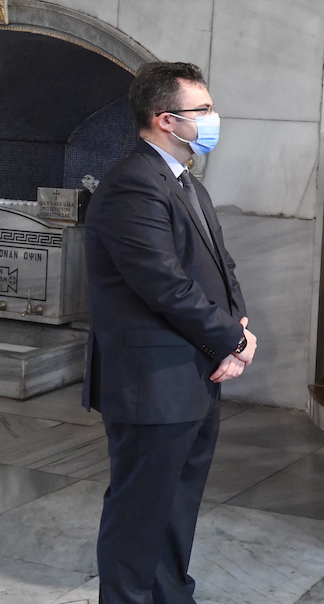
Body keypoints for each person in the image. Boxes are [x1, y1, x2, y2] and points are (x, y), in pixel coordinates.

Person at [83, 61, 257, 604]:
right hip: (152, 381)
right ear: (165, 119)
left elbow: (222, 268)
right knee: (140, 513)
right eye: (202, 110)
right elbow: (165, 285)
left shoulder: (185, 182)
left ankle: (170, 596)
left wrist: (239, 330)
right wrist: (231, 341)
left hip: (194, 374)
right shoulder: (132, 185)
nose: (212, 118)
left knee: (176, 507)